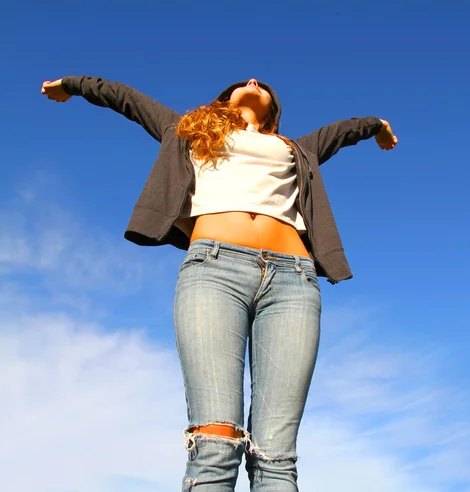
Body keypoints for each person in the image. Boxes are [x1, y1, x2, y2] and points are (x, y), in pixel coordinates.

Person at [41, 76, 398, 491]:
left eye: (263, 85)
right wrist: (72, 84)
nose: (252, 81)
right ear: (223, 99)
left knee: (276, 457)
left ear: (274, 112)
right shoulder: (188, 129)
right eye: (243, 82)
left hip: (293, 282)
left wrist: (378, 125)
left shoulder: (298, 148)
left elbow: (345, 130)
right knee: (215, 444)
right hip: (214, 272)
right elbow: (126, 99)